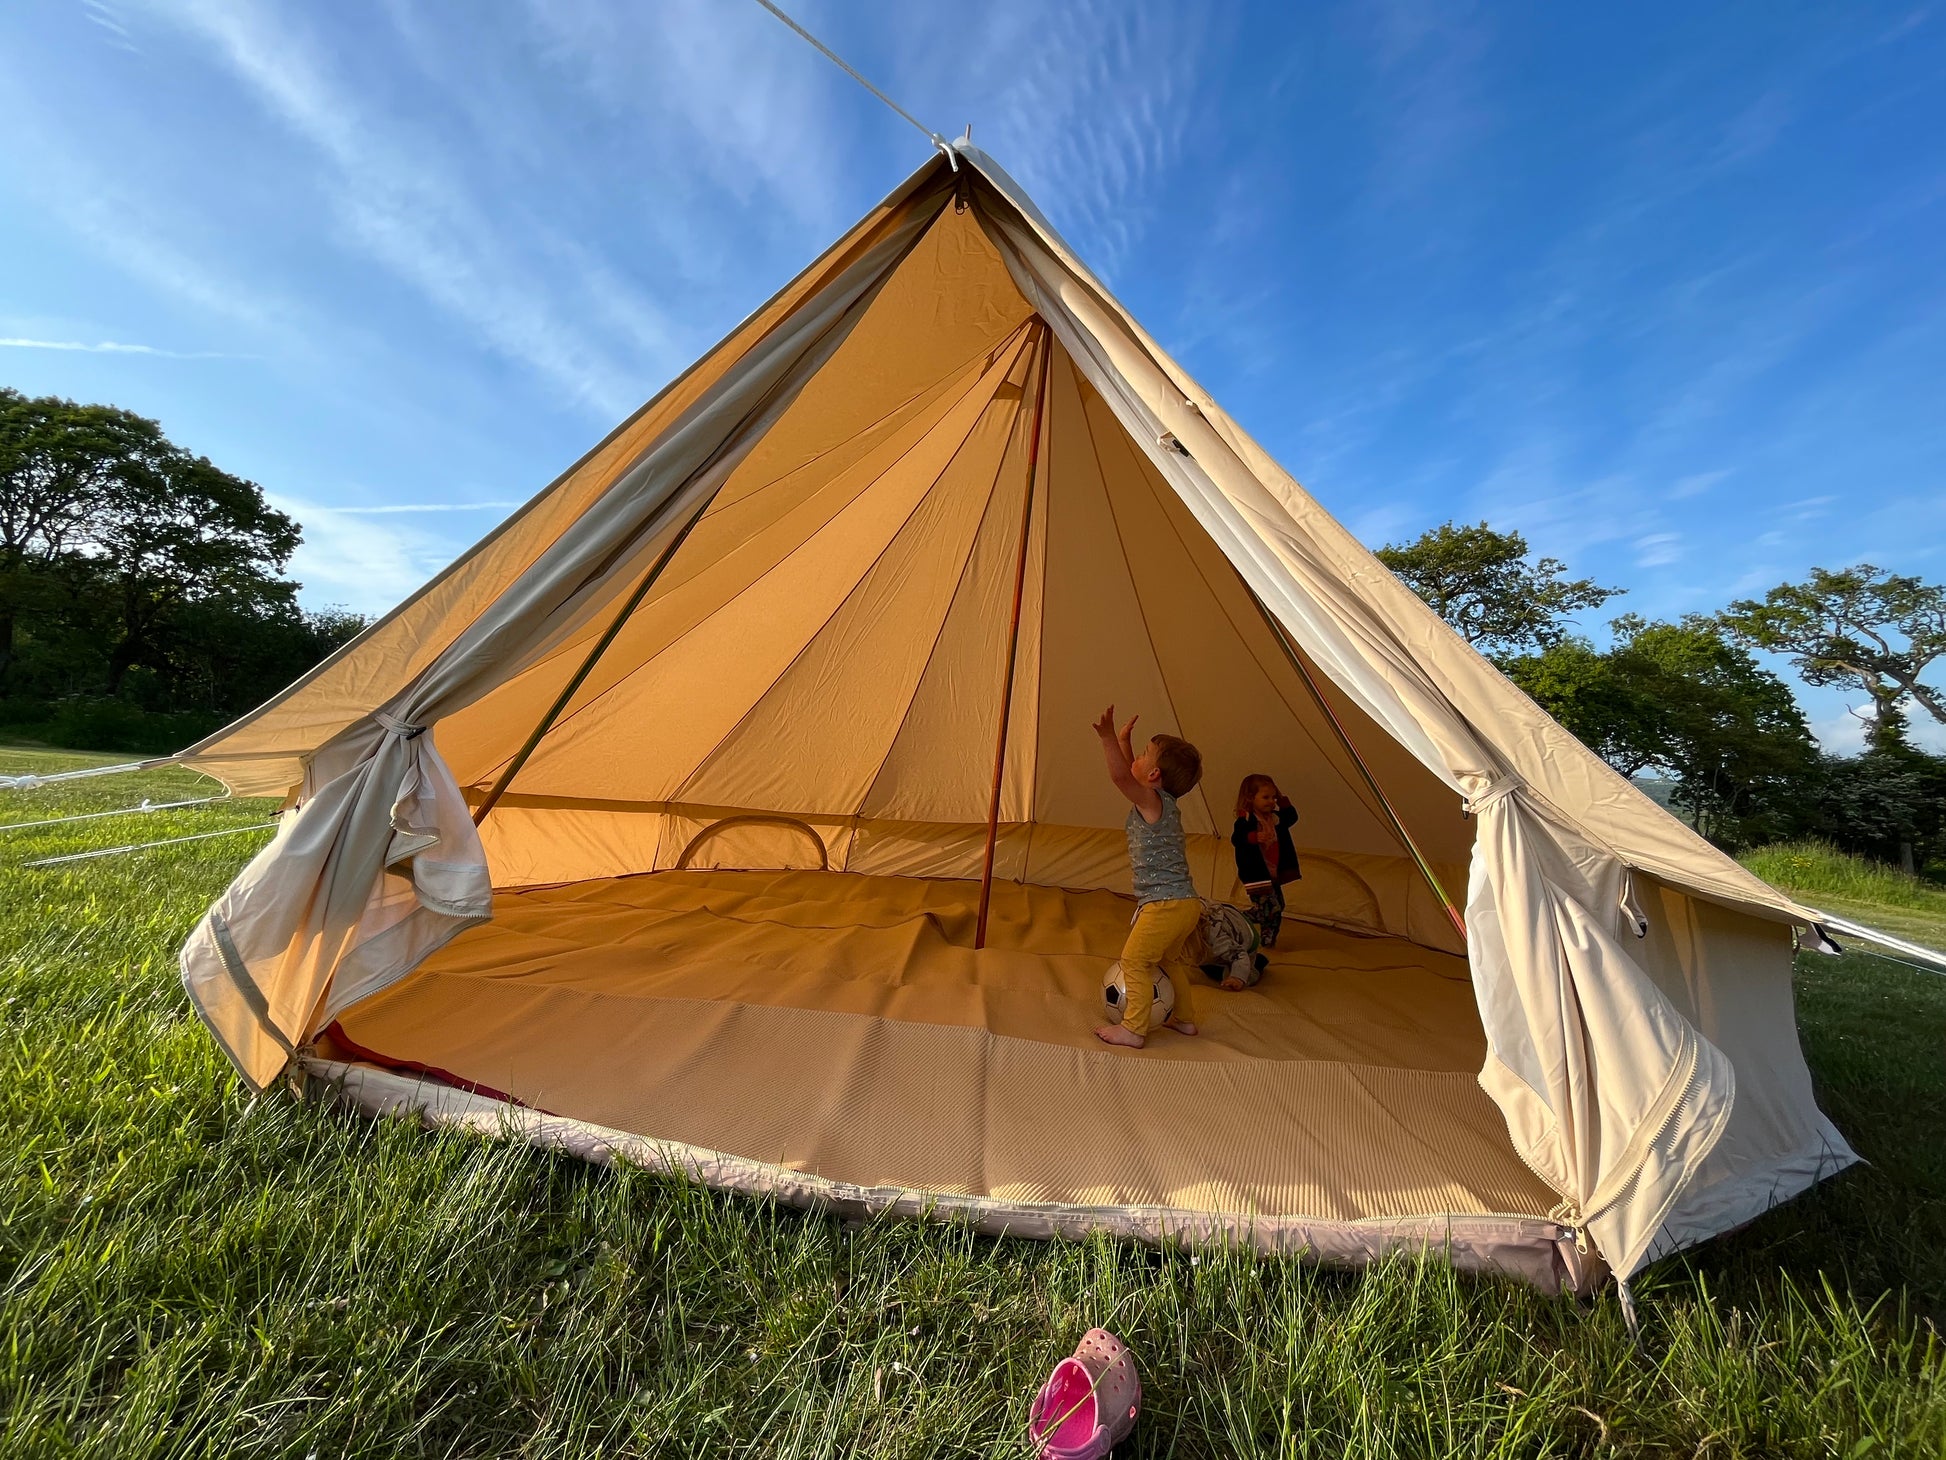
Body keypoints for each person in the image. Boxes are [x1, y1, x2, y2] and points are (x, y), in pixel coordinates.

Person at [1091, 706, 1205, 1048]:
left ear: (1154, 774)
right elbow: (1132, 773)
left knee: (1135, 960)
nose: (1135, 758)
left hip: (1165, 905)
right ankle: (1184, 1020)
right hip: (1186, 903)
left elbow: (1122, 778)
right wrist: (1126, 741)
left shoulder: (1150, 801)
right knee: (1169, 960)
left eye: (1142, 754)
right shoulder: (1162, 802)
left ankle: (1134, 1028)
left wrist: (1108, 739)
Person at [1232, 774, 1299, 948]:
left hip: (1272, 872)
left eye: (1273, 797)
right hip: (1255, 873)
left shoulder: (1275, 818)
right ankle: (1236, 918)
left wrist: (1282, 798)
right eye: (1266, 797)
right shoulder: (1246, 819)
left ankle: (1268, 940)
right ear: (1250, 798)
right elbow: (1237, 838)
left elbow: (1292, 817)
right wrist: (1254, 837)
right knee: (1270, 909)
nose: (1271, 801)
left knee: (1278, 906)